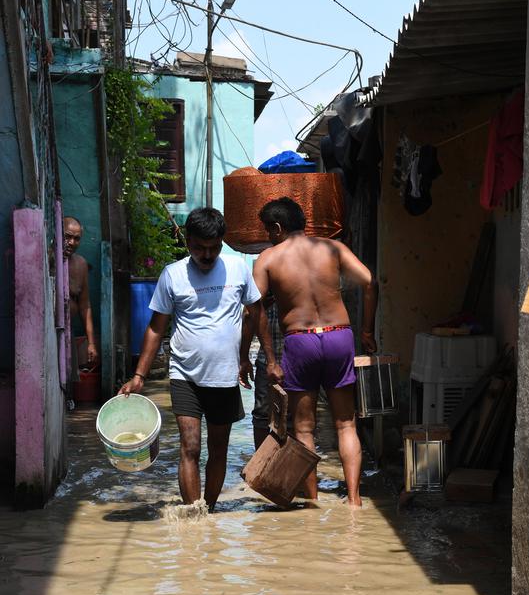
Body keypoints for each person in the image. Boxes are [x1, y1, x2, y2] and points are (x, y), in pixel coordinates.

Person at [119, 208, 282, 511]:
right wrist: (139, 376)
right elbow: (156, 327)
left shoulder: (237, 269)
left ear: (222, 242)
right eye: (199, 248)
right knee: (190, 447)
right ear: (187, 240)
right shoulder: (173, 274)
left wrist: (269, 360)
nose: (207, 255)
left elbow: (256, 314)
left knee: (218, 450)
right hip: (185, 376)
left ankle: (210, 509)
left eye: (214, 247)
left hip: (225, 376)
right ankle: (195, 519)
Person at [244, 197, 378, 507]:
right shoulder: (333, 248)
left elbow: (253, 310)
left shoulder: (267, 259)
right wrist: (367, 331)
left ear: (277, 228)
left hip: (300, 340)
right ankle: (354, 499)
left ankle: (313, 500)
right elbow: (370, 283)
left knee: (303, 428)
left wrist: (250, 357)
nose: (267, 237)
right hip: (338, 336)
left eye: (268, 231)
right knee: (346, 424)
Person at [240, 294, 286, 449]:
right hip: (269, 361)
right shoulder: (262, 295)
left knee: (263, 414)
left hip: (291, 358)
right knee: (263, 415)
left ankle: (274, 462)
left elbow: (248, 316)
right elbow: (248, 315)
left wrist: (244, 357)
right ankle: (261, 461)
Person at [64, 217, 99, 405]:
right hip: (46, 333)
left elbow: (85, 305)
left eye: (76, 239)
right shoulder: (48, 258)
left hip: (67, 332)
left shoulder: (80, 264)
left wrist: (91, 343)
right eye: (67, 237)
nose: (72, 243)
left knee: (69, 377)